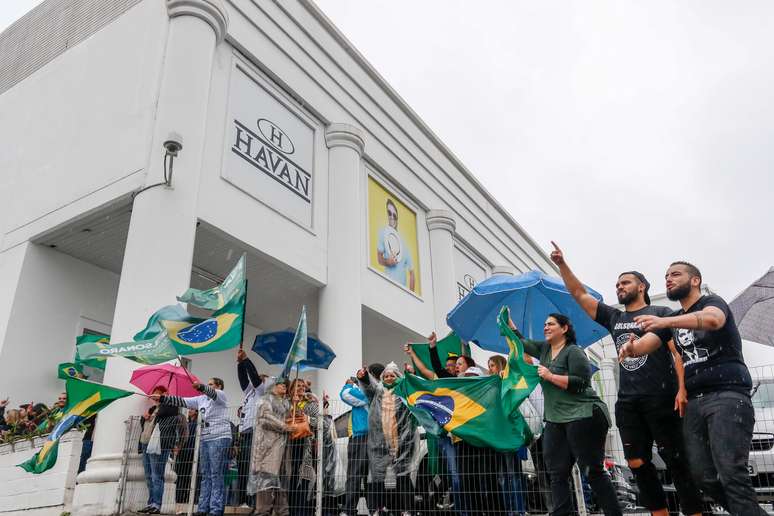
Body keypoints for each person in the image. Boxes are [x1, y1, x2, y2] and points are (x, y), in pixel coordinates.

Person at [550, 243, 703, 516]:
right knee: (637, 463)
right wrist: (562, 265)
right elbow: (579, 294)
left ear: (641, 286)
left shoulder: (663, 314)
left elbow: (677, 354)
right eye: (617, 283)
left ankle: (694, 512)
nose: (619, 287)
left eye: (625, 282)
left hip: (662, 398)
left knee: (676, 461)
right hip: (628, 403)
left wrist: (682, 389)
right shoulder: (615, 317)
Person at [619, 261, 764, 515]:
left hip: (727, 395)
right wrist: (630, 347)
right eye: (666, 276)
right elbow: (644, 346)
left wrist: (663, 323)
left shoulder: (712, 302)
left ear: (695, 280)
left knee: (731, 472)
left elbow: (713, 320)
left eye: (675, 274)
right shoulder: (673, 319)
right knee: (702, 476)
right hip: (695, 402)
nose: (668, 279)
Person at [509, 310, 622, 516]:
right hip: (555, 419)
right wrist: (510, 326)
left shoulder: (574, 351)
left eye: (551, 324)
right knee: (556, 473)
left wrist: (551, 376)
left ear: (565, 328)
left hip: (584, 414)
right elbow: (522, 343)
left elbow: (580, 383)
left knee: (593, 471)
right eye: (545, 324)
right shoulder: (544, 349)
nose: (546, 327)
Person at [154, 378, 231, 516]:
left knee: (216, 474)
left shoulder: (220, 395)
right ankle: (202, 509)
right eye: (208, 384)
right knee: (206, 475)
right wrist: (163, 398)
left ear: (219, 386)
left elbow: (211, 392)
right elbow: (182, 401)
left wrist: (201, 386)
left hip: (219, 437)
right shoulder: (201, 399)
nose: (209, 386)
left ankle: (215, 509)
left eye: (211, 384)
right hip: (205, 438)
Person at [357, 362, 416, 516]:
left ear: (398, 377)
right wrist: (363, 376)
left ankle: (407, 510)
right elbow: (368, 387)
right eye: (386, 376)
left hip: (401, 440)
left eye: (393, 375)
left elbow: (413, 386)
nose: (389, 378)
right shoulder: (378, 391)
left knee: (403, 475)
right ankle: (378, 508)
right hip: (380, 441)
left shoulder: (403, 390)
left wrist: (409, 373)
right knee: (378, 476)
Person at [248, 378, 294, 516]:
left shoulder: (285, 402)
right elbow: (265, 418)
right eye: (280, 383)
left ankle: (283, 512)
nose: (284, 385)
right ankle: (262, 512)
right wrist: (284, 426)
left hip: (282, 448)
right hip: (267, 448)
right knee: (266, 483)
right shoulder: (265, 400)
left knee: (280, 483)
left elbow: (291, 416)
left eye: (285, 384)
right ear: (272, 386)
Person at [138, 385, 188, 514]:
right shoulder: (153, 408)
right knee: (149, 476)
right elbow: (144, 425)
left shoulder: (171, 406)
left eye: (157, 394)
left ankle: (156, 504)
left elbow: (164, 412)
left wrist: (164, 398)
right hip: (146, 443)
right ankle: (150, 502)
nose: (154, 397)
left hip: (160, 444)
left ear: (164, 395)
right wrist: (145, 417)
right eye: (153, 394)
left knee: (157, 475)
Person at [236, 348, 264, 508]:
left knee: (252, 469)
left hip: (255, 433)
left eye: (261, 380)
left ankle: (252, 501)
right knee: (243, 467)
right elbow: (243, 379)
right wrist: (239, 363)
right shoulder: (249, 393)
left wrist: (246, 359)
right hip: (244, 434)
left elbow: (253, 375)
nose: (256, 381)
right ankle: (242, 500)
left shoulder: (262, 391)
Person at [340, 377, 369, 516]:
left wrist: (348, 385)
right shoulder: (371, 393)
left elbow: (345, 395)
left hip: (361, 437)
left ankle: (349, 510)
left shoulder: (366, 393)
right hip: (370, 437)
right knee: (370, 477)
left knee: (355, 476)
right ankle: (375, 509)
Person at [376, 199, 415, 291]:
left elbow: (412, 273)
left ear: (397, 218)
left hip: (402, 292)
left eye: (394, 215)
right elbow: (379, 259)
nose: (391, 217)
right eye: (389, 213)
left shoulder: (405, 245)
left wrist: (410, 296)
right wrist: (387, 262)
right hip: (387, 288)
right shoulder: (383, 233)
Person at [174, 409, 200, 505]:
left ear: (197, 412)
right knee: (180, 476)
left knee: (188, 477)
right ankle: (179, 498)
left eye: (192, 409)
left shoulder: (197, 424)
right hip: (183, 452)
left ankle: (185, 499)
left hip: (191, 453)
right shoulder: (187, 424)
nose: (189, 411)